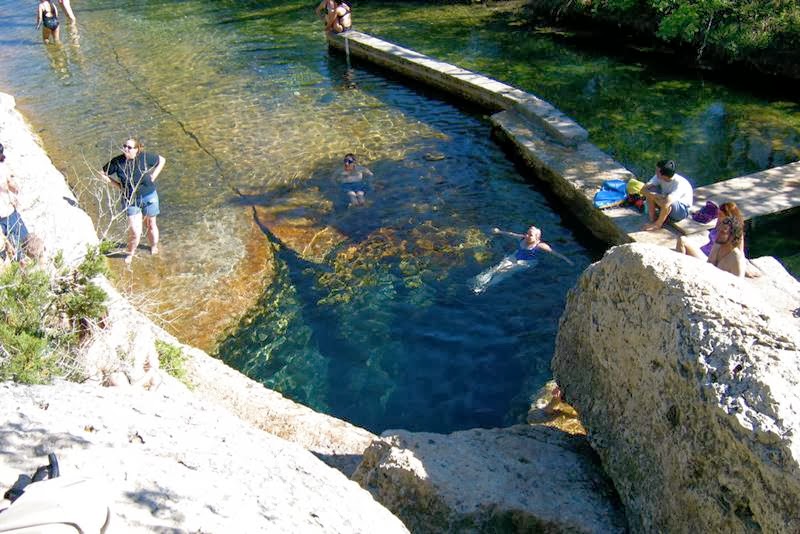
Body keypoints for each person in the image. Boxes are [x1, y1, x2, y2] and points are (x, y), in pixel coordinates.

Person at [100, 138, 166, 265]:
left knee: (151, 224)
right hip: (130, 199)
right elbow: (102, 173)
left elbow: (162, 160)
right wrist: (118, 186)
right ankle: (130, 252)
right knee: (135, 231)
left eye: (129, 147)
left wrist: (154, 176)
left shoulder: (144, 157)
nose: (126, 149)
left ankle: (153, 246)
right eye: (125, 146)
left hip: (148, 196)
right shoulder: (117, 162)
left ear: (137, 149)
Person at [472, 225, 573, 294]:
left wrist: (568, 260)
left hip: (527, 262)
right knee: (497, 268)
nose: (527, 235)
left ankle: (485, 287)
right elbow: (511, 234)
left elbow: (554, 252)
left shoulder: (540, 245)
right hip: (515, 257)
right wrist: (499, 232)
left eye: (530, 235)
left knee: (505, 271)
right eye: (527, 233)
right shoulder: (523, 238)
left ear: (537, 238)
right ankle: (478, 280)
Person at [676, 201, 744, 258]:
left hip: (709, 259)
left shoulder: (735, 232)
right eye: (718, 214)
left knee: (682, 241)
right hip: (703, 251)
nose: (718, 216)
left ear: (728, 216)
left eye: (720, 215)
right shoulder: (719, 223)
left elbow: (739, 253)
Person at [0, 143, 31, 263]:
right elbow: (13, 186)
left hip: (6, 212)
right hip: (8, 212)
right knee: (24, 242)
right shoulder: (2, 169)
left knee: (6, 249)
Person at [641, 160, 693, 231]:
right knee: (651, 190)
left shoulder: (680, 184)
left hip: (681, 211)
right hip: (664, 201)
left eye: (657, 171)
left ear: (664, 175)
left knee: (668, 201)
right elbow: (643, 190)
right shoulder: (658, 177)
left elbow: (667, 203)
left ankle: (657, 224)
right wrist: (655, 195)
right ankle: (652, 219)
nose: (655, 172)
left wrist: (654, 197)